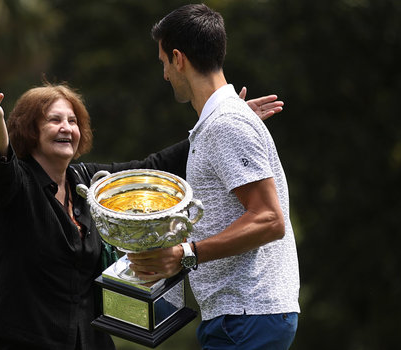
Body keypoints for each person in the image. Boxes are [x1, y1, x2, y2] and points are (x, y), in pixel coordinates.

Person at [0, 77, 282, 350]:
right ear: (30, 130)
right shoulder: (17, 186)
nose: (67, 128)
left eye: (72, 120)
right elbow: (2, 161)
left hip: (87, 340)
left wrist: (219, 126)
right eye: (54, 120)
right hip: (23, 340)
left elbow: (155, 167)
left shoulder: (88, 182)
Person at [127, 4, 300, 350]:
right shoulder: (220, 122)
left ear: (178, 58)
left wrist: (186, 253)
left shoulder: (225, 124)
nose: (164, 75)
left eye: (163, 63)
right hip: (241, 317)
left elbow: (269, 219)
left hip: (247, 316)